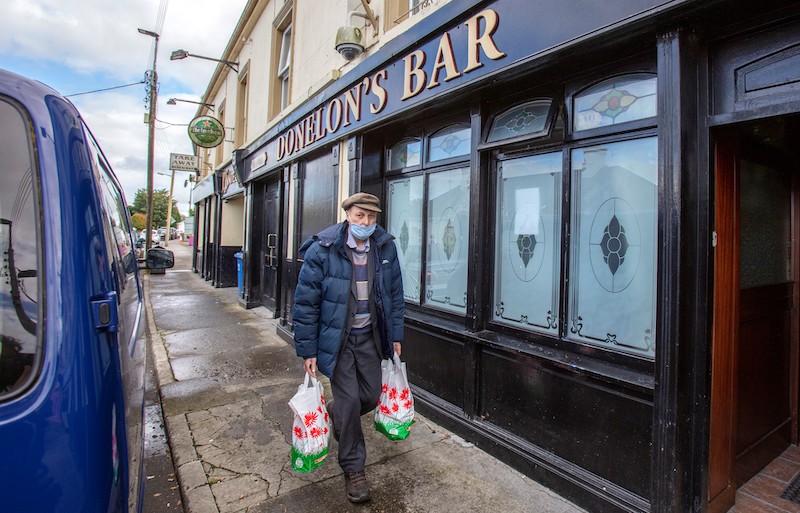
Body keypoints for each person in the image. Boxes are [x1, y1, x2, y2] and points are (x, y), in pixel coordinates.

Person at [293, 192, 404, 503]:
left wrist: (395, 334)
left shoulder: (384, 247)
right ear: (347, 215)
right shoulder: (322, 249)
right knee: (351, 400)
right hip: (337, 340)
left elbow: (394, 294)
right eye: (359, 216)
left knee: (369, 394)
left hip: (370, 337)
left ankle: (337, 414)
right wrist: (308, 349)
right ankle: (354, 469)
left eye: (371, 217)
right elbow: (306, 302)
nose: (365, 222)